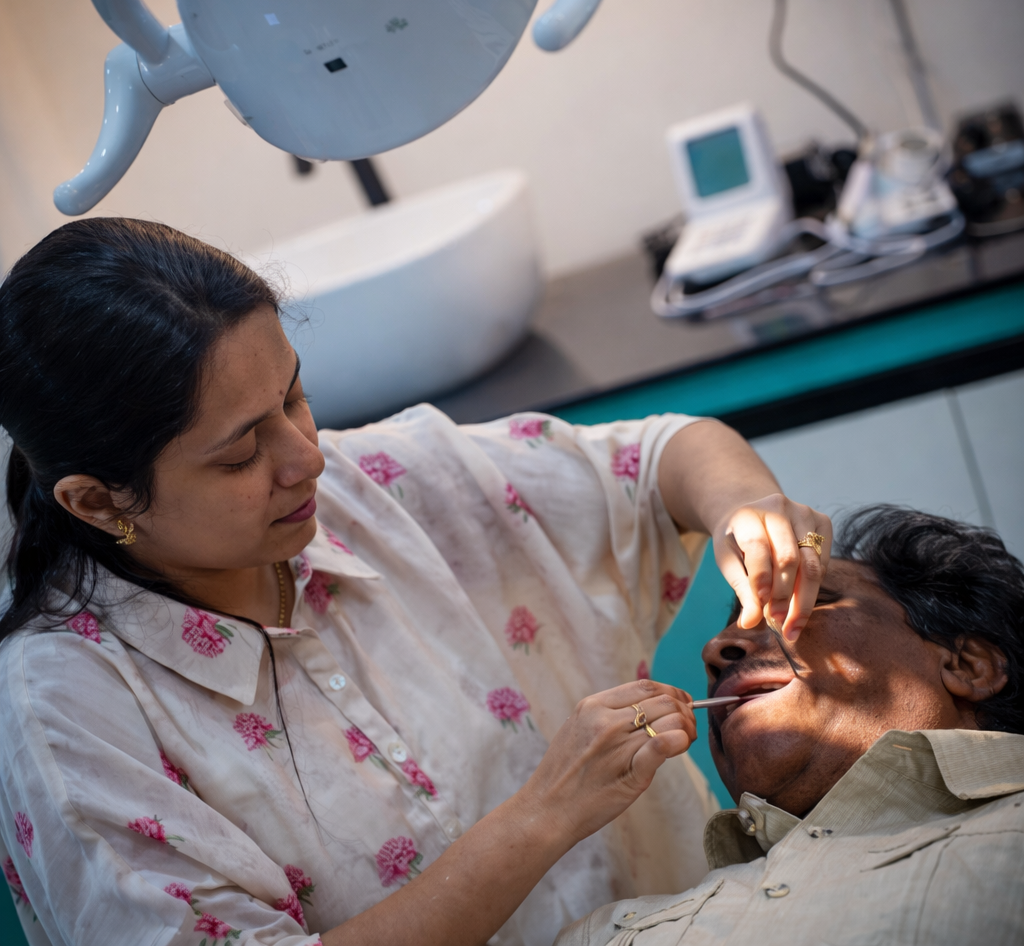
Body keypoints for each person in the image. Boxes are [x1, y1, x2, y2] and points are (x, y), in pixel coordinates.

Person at [0, 218, 831, 946]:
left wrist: (743, 508)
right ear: (100, 502)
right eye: (240, 453)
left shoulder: (378, 484)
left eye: (296, 397)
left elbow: (665, 455)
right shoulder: (69, 717)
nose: (307, 459)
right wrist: (544, 815)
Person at [555, 506, 1024, 946]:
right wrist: (546, 811)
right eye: (734, 623)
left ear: (968, 667)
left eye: (802, 603)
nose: (717, 648)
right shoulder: (609, 933)